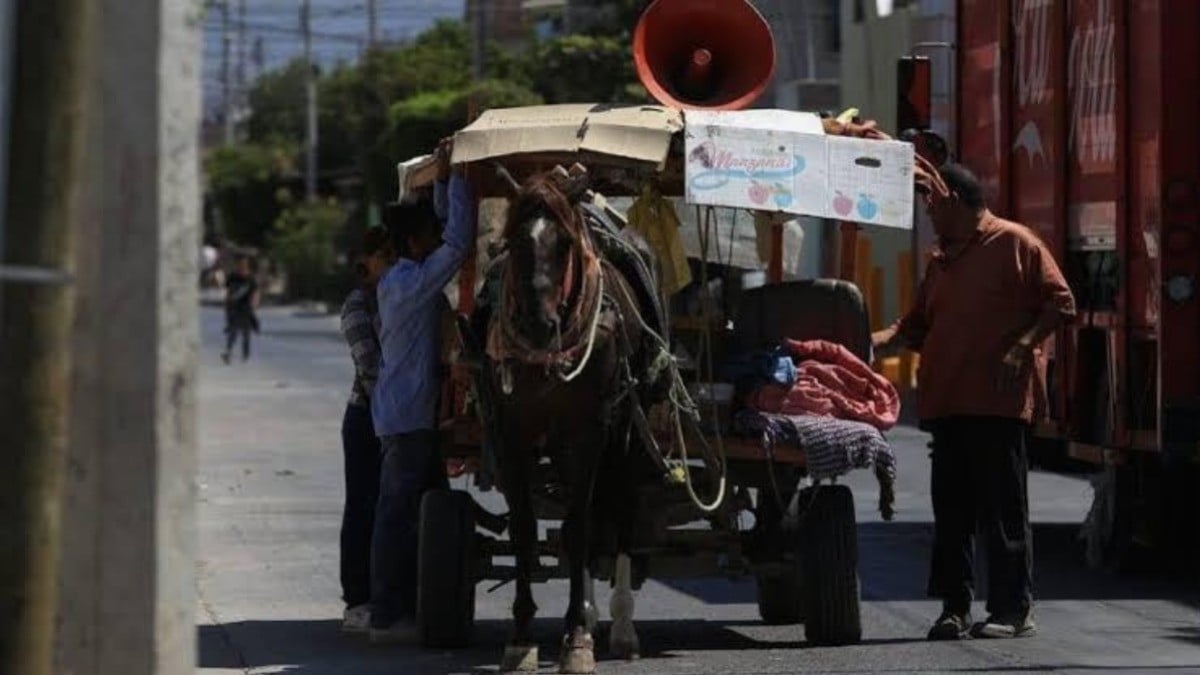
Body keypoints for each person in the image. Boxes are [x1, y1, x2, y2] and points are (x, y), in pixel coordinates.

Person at [872, 161, 1076, 641]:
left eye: (933, 207)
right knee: (952, 515)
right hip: (948, 403)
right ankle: (954, 607)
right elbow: (916, 323)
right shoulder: (942, 258)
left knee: (1002, 512)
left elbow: (1061, 302)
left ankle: (1012, 609)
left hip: (998, 404)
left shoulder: (1014, 243)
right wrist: (875, 338)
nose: (929, 217)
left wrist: (1023, 346)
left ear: (957, 203)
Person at [368, 139, 475, 644]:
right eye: (427, 236)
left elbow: (442, 236)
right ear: (415, 244)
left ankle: (410, 604)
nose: (435, 240)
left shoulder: (404, 275)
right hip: (408, 417)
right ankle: (386, 612)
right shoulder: (409, 281)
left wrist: (445, 184)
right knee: (396, 515)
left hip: (411, 416)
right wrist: (458, 179)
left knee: (428, 512)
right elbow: (456, 245)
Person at [337, 227, 396, 633]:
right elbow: (371, 369)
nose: (391, 263)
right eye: (384, 256)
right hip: (367, 417)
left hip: (389, 414)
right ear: (366, 261)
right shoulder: (358, 306)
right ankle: (357, 598)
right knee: (363, 505)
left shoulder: (391, 298)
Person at [222, 255, 260, 363]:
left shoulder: (250, 278)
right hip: (234, 306)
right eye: (240, 264)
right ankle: (228, 352)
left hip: (246, 307)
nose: (242, 266)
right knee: (233, 331)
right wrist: (226, 304)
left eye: (244, 264)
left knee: (246, 333)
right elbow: (228, 291)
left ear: (247, 265)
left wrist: (255, 303)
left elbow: (256, 291)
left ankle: (245, 355)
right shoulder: (232, 277)